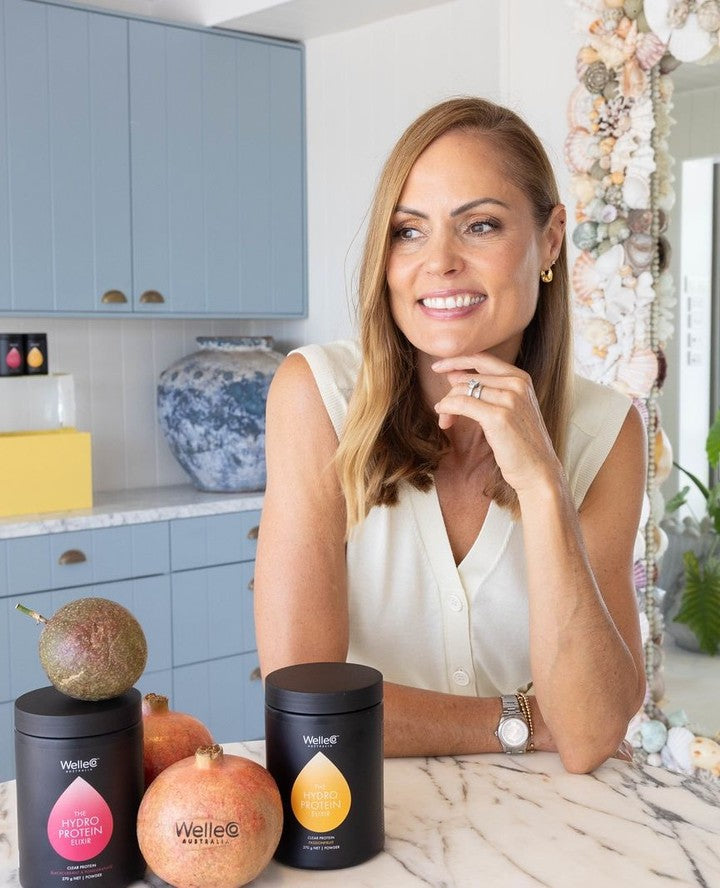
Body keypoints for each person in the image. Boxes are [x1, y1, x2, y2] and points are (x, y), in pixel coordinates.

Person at [254, 96, 646, 774]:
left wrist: (544, 483)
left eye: (481, 226)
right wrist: (519, 720)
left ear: (551, 239)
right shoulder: (316, 395)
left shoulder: (606, 431)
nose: (438, 263)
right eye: (409, 232)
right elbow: (304, 702)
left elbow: (587, 733)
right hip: (367, 815)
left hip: (558, 831)